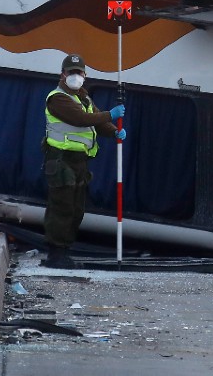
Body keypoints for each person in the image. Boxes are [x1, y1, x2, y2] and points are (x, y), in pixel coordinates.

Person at [41, 53, 127, 269]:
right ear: (63, 74)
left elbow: (96, 122)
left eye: (79, 72)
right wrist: (111, 114)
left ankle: (65, 250)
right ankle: (55, 253)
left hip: (79, 161)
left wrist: (115, 132)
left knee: (76, 208)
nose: (75, 76)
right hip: (60, 159)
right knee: (62, 207)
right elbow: (81, 120)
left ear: (85, 75)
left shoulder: (85, 98)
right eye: (71, 72)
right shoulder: (58, 98)